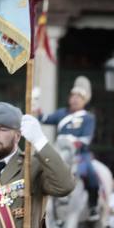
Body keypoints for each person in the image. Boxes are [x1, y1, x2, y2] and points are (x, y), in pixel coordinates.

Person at [37, 76, 101, 220]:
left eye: (79, 97)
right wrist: (36, 105)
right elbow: (44, 118)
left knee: (91, 174)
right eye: (73, 95)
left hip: (79, 154)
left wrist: (73, 142)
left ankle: (93, 206)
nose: (75, 99)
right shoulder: (61, 113)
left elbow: (86, 139)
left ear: (85, 100)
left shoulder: (88, 118)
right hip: (59, 151)